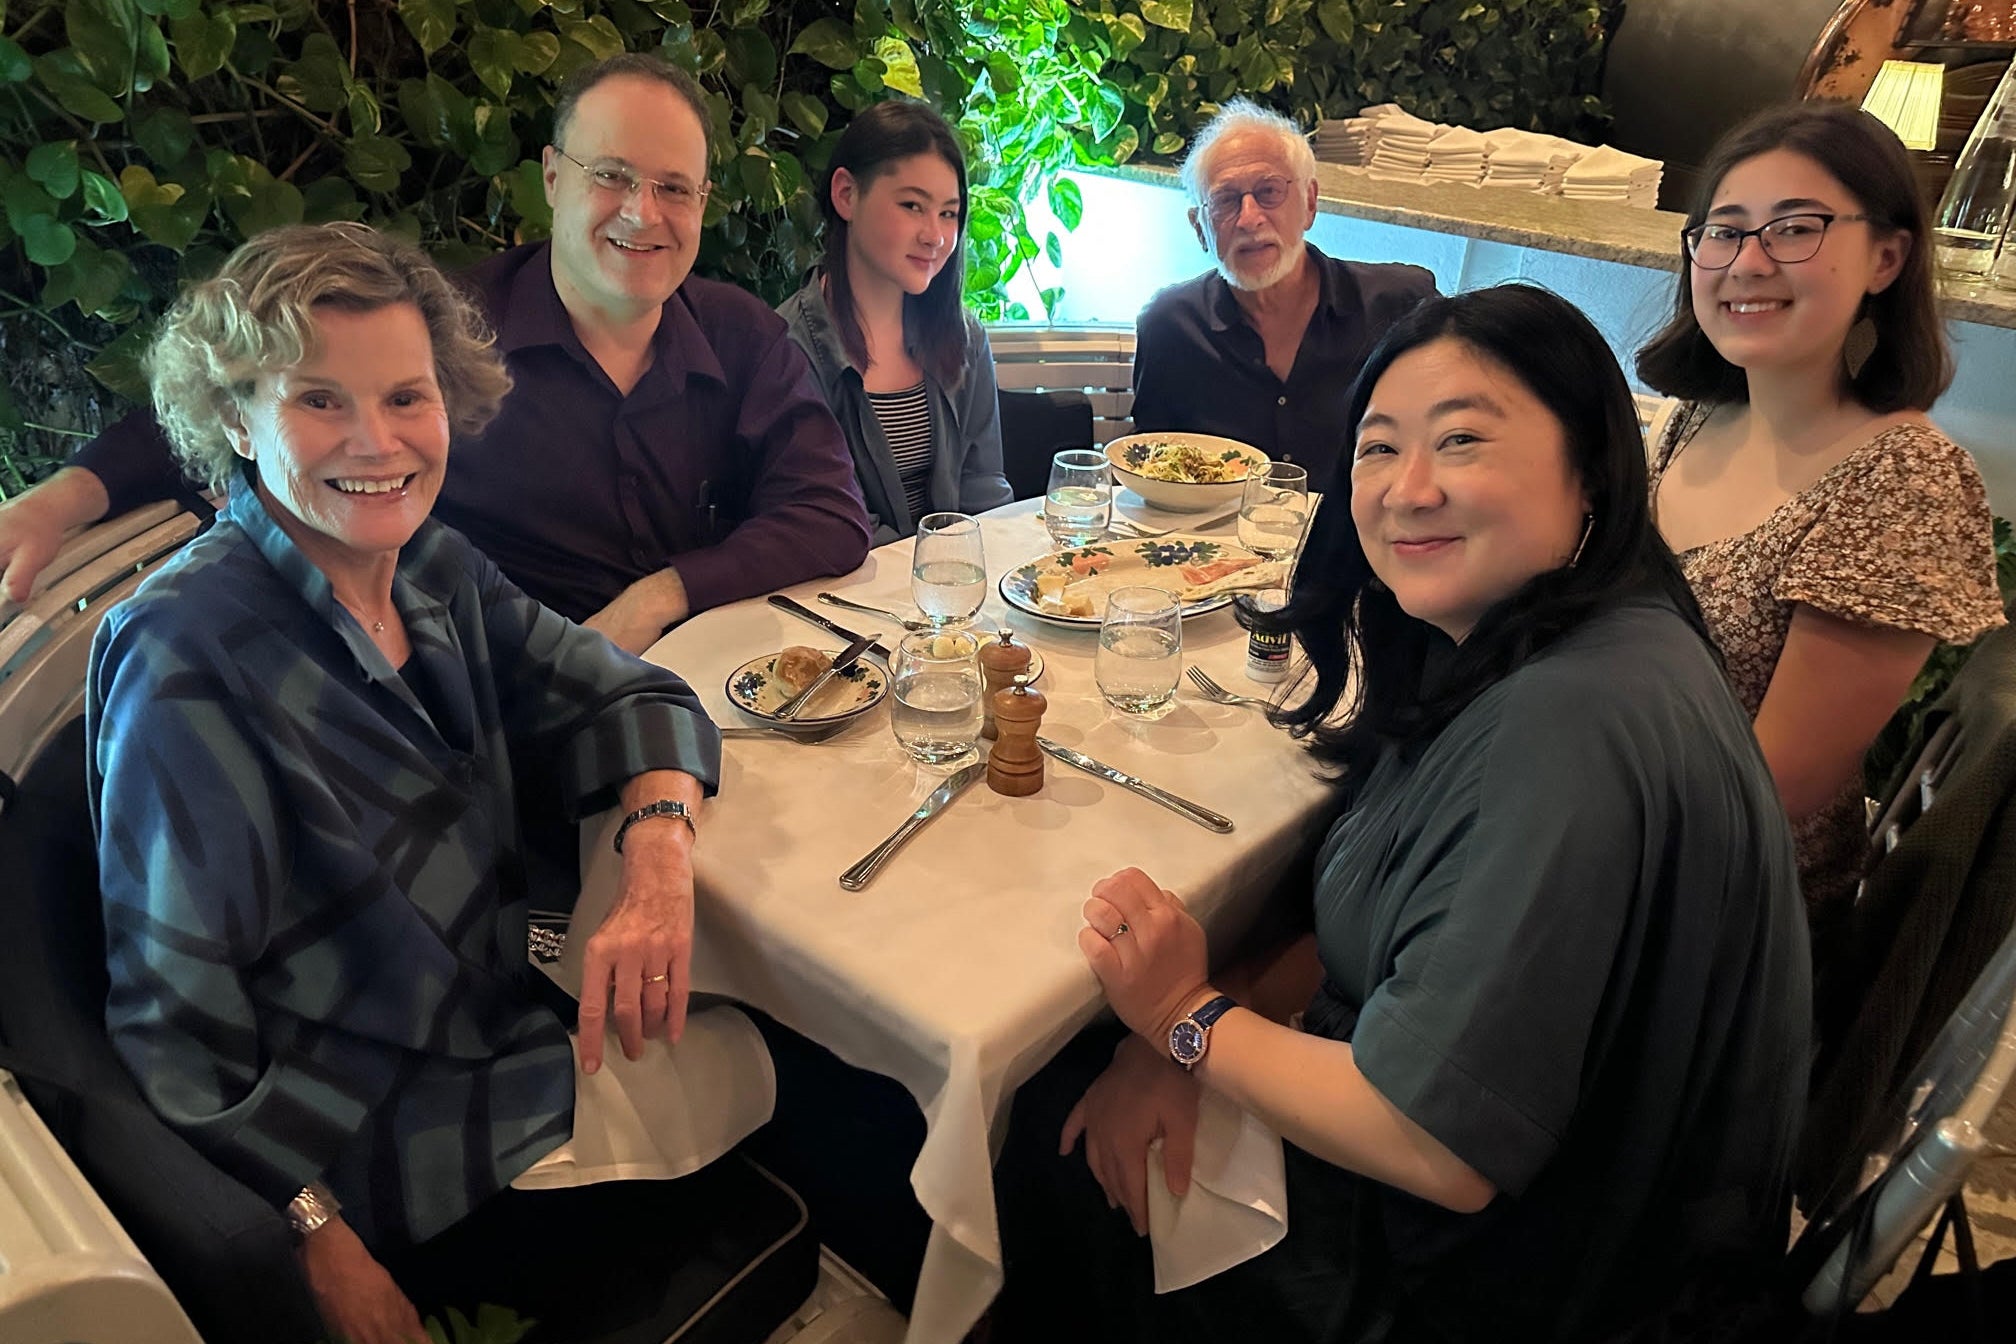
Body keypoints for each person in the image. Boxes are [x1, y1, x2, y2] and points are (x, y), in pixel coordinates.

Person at [997, 286, 1812, 1343]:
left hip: (1520, 1288)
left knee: (1037, 1117)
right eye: (1378, 449)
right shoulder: (1588, 637)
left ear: (1593, 469)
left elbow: (1436, 1144)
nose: (1408, 488)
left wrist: (1182, 1020)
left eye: (1463, 439)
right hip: (1600, 1215)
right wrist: (1204, 1016)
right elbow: (1382, 941)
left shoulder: (1570, 724)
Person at [88, 222, 749, 1344]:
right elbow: (175, 1020)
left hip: (495, 1015)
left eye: (406, 396)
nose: (377, 441)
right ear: (236, 420)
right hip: (378, 1138)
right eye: (319, 402)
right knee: (770, 1113)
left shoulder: (432, 565)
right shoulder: (186, 656)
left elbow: (631, 694)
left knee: (762, 1058)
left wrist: (659, 850)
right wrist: (316, 1235)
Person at [0, 53, 872, 654]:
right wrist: (59, 500)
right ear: (554, 179)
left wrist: (655, 599)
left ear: (703, 202)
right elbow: (250, 399)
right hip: (494, 726)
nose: (644, 213)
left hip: (709, 700)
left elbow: (831, 517)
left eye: (674, 188)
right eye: (611, 175)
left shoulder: (741, 334)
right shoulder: (445, 325)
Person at [1636, 102, 2004, 932]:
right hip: (1606, 818)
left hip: (1717, 908)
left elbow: (1773, 789)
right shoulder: (1697, 415)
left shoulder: (1904, 481)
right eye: (1723, 231)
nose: (1747, 263)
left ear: (1886, 256)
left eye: (1794, 229)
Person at [1129, 98, 1437, 486]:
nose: (1249, 218)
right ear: (1199, 227)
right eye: (1225, 200)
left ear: (1310, 203)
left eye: (1268, 191)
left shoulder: (1398, 304)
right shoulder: (1169, 325)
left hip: (1363, 542)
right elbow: (1153, 472)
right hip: (1218, 543)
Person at [778, 99, 1011, 542]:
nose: (935, 236)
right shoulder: (788, 350)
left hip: (952, 593)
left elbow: (985, 494)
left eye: (949, 213)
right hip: (841, 598)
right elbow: (835, 527)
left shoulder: (964, 338)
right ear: (846, 194)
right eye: (911, 206)